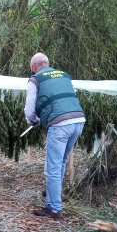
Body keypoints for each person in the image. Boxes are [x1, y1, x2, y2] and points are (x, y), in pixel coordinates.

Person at [24, 52, 85, 220]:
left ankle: (54, 208)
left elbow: (29, 110)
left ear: (33, 67)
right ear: (48, 64)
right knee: (62, 161)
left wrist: (33, 121)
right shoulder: (64, 76)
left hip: (60, 125)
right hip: (79, 120)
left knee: (53, 167)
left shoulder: (35, 79)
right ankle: (53, 192)